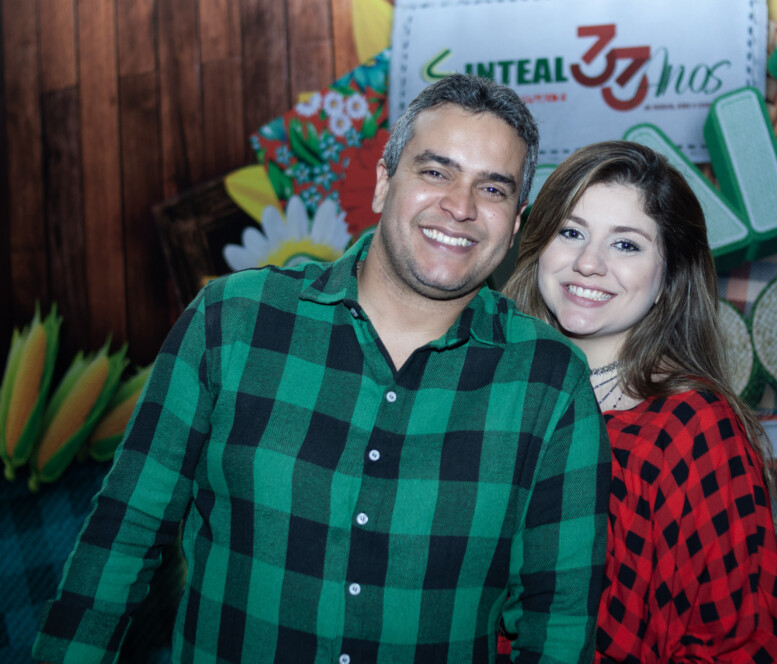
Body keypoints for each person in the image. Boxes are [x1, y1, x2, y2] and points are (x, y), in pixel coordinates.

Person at [34, 74, 610, 663]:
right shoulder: (232, 320)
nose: (460, 207)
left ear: (514, 223)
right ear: (383, 182)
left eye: (492, 189)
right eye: (436, 172)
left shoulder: (550, 383)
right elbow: (122, 536)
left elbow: (558, 624)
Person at [503, 141, 777, 663]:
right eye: (571, 232)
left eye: (626, 245)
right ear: (538, 243)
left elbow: (742, 647)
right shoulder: (489, 394)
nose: (588, 263)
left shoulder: (692, 427)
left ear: (667, 278)